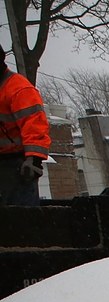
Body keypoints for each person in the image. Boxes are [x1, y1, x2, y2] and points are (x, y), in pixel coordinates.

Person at [0, 52, 50, 207]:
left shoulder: (18, 89)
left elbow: (34, 125)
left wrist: (33, 159)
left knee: (20, 217)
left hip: (17, 164)